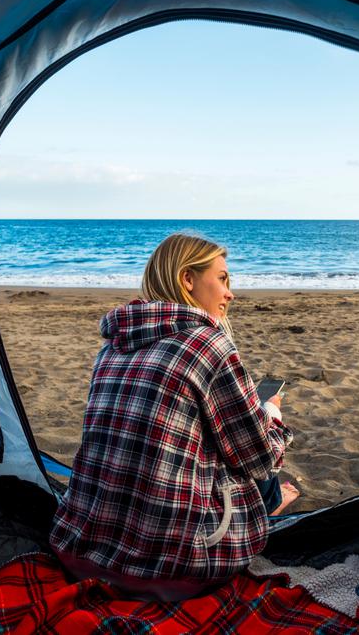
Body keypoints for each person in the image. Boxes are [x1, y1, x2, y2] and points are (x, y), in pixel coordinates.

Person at [50, 233, 297, 601]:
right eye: (223, 279)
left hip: (79, 550)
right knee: (259, 466)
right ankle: (275, 500)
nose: (230, 293)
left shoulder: (111, 347)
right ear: (187, 279)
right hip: (172, 567)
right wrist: (272, 411)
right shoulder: (207, 344)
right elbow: (259, 456)